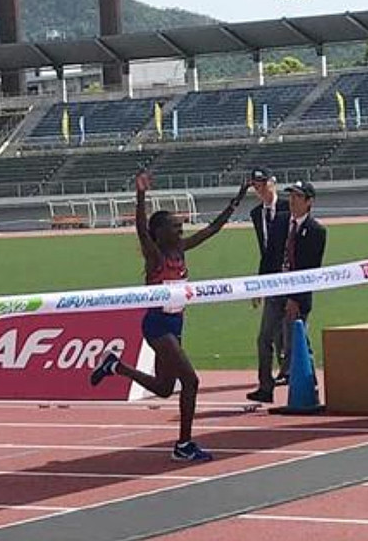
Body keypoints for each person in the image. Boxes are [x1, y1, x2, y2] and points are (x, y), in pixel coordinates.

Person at [90, 171, 249, 462]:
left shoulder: (181, 249)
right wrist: (140, 194)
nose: (180, 230)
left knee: (164, 388)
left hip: (176, 324)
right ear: (160, 232)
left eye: (180, 226)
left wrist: (237, 199)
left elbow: (212, 229)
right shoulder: (155, 257)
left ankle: (116, 367)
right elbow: (141, 229)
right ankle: (183, 445)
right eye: (174, 227)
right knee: (191, 381)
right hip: (158, 325)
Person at [247, 167, 291, 404]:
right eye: (256, 185)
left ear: (273, 182)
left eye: (263, 183)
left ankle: (295, 375)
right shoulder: (256, 214)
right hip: (271, 280)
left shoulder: (288, 207)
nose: (260, 189)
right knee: (267, 336)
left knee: (292, 333)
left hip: (291, 278)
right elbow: (264, 251)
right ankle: (266, 386)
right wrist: (259, 284)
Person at [279, 180, 327, 334]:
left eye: (298, 196)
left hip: (298, 297)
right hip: (276, 289)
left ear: (309, 201)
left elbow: (311, 269)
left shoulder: (316, 231)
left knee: (294, 340)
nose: (292, 200)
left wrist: (295, 299)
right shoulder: (281, 222)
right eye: (291, 196)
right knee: (269, 338)